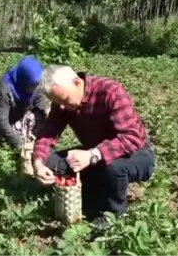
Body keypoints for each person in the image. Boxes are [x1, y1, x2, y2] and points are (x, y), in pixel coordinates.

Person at [32, 65, 155, 228]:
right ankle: (93, 192)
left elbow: (131, 137)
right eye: (57, 102)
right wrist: (38, 163)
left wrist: (92, 155)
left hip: (135, 154)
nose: (61, 107)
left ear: (77, 83)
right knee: (52, 163)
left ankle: (115, 213)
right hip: (94, 154)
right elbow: (49, 132)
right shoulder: (63, 101)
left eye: (65, 100)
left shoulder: (110, 91)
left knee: (114, 167)